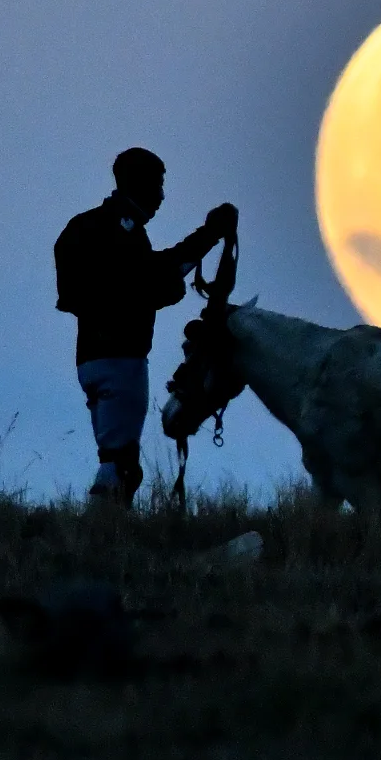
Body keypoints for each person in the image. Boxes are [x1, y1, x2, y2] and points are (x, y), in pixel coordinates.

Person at [54, 148, 237, 506]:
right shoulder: (123, 232)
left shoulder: (87, 226)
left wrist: (204, 240)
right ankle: (100, 540)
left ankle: (103, 540)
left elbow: (146, 276)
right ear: (140, 184)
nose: (162, 196)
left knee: (116, 457)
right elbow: (153, 278)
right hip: (121, 360)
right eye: (158, 184)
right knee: (120, 466)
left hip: (89, 360)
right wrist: (211, 235)